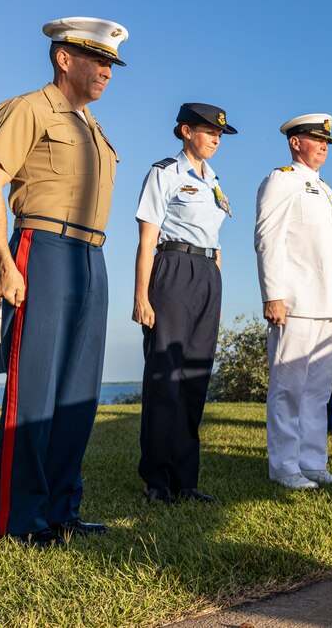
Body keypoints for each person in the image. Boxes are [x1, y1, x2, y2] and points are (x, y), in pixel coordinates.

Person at [0, 17, 129, 546]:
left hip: (91, 256)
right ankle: (22, 522)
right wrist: (4, 264)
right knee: (33, 392)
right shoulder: (28, 109)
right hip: (43, 249)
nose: (107, 70)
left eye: (111, 63)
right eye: (98, 60)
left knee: (78, 395)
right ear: (64, 59)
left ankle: (61, 511)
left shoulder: (93, 128)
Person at [133, 103, 237, 504]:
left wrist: (218, 292)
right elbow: (147, 239)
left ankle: (185, 479)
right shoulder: (165, 173)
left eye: (219, 134)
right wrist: (141, 296)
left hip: (208, 273)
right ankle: (157, 481)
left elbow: (217, 242)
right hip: (173, 268)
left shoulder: (214, 180)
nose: (216, 139)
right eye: (209, 131)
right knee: (166, 377)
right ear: (184, 131)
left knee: (195, 377)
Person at [255, 113, 332, 490]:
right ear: (295, 143)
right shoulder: (282, 180)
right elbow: (268, 238)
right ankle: (284, 466)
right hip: (294, 301)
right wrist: (274, 294)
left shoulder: (326, 190)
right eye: (316, 139)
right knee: (288, 387)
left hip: (326, 302)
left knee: (318, 390)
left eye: (326, 140)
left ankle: (313, 462)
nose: (324, 145)